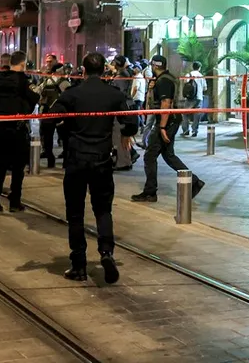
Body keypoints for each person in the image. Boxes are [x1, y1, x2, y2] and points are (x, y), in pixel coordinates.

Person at [49, 52, 132, 284]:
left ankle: (78, 265)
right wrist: (125, 133)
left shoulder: (72, 94)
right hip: (102, 160)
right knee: (103, 210)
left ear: (83, 70)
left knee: (75, 214)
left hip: (76, 159)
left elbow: (51, 116)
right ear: (104, 69)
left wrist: (65, 124)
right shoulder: (113, 94)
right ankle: (106, 253)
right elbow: (132, 122)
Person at [131, 54, 203, 203]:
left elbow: (166, 103)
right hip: (170, 121)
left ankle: (150, 192)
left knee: (150, 156)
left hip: (166, 122)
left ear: (155, 65)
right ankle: (194, 181)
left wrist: (162, 127)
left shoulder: (163, 81)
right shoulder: (165, 78)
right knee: (168, 155)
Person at [0, 51, 39, 213]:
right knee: (18, 167)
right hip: (17, 127)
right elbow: (34, 98)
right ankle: (14, 201)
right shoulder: (23, 80)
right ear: (23, 64)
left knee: (0, 165)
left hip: (0, 127)